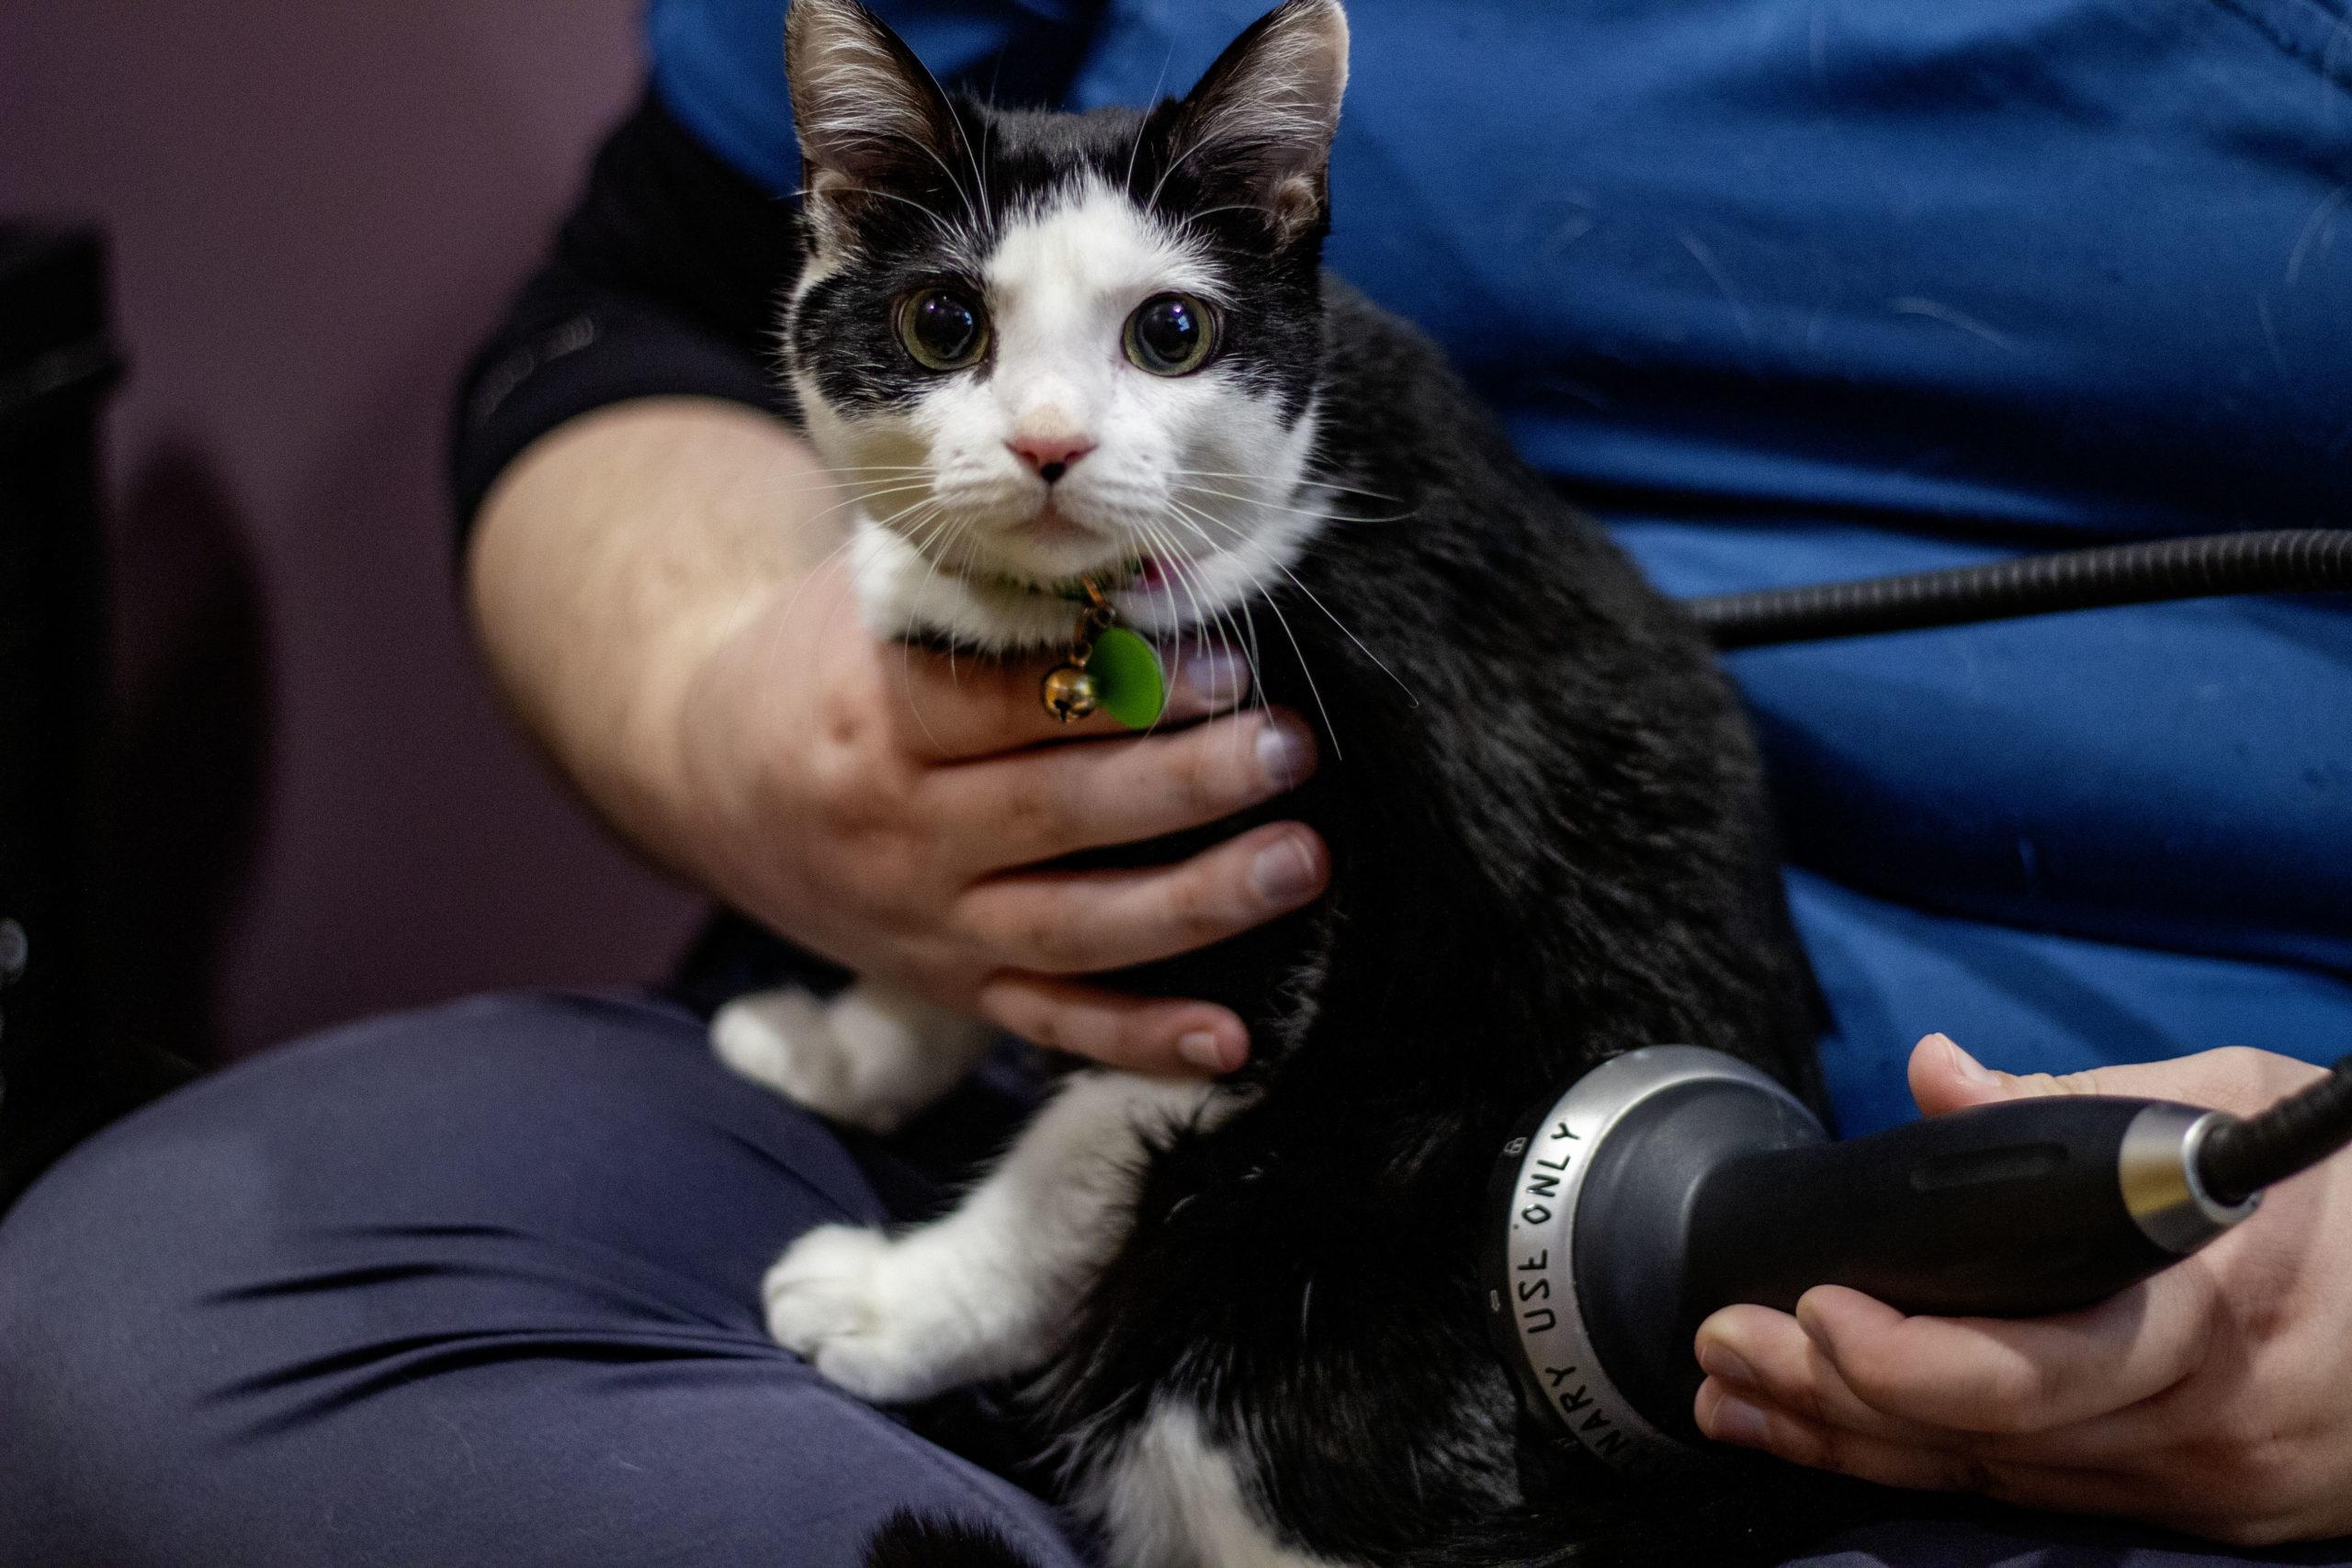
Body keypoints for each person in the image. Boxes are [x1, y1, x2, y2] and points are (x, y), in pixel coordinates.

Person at [1, 1, 2346, 1562]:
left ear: (1272, 279)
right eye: (947, 331)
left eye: (1155, 340)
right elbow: (609, 316)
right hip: (984, 1096)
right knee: (117, 1345)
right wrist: (744, 722)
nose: (1038, 428)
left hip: (1990, 1289)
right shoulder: (1017, 371)